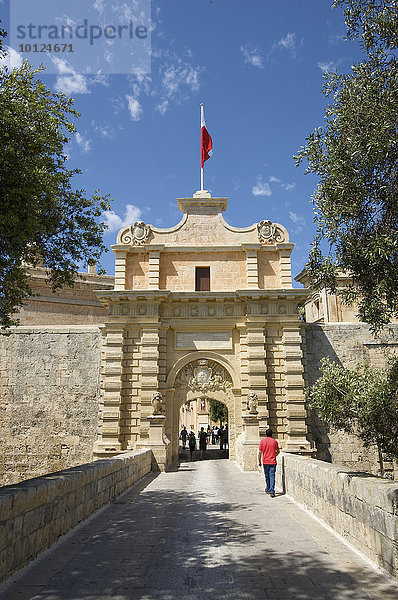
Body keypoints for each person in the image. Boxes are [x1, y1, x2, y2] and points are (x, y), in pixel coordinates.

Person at [258, 429, 280, 498]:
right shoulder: (274, 441)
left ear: (266, 434)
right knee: (272, 476)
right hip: (273, 462)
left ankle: (268, 488)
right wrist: (274, 455)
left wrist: (259, 461)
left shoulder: (262, 441)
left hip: (265, 461)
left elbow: (260, 452)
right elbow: (278, 451)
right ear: (272, 434)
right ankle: (272, 490)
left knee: (267, 476)